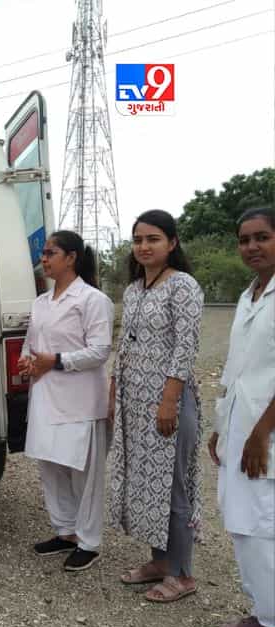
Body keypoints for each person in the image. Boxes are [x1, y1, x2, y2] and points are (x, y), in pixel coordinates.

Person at [108, 209, 204, 602]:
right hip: (136, 404)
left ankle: (182, 574)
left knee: (172, 487)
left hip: (168, 402)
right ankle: (160, 562)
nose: (144, 246)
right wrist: (114, 392)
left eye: (153, 239)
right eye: (138, 240)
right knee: (147, 485)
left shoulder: (183, 286)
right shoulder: (134, 289)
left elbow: (186, 346)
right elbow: (125, 345)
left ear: (172, 243)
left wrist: (169, 401)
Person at [19, 231, 114, 572]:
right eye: (43, 253)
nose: (43, 259)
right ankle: (65, 531)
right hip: (46, 397)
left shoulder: (92, 300)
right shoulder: (41, 302)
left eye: (51, 253)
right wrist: (28, 362)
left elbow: (100, 350)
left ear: (71, 257)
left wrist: (57, 361)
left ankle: (89, 542)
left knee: (82, 475)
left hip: (80, 401)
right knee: (51, 467)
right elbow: (31, 344)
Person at [207, 207, 275, 627]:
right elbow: (237, 367)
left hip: (265, 433)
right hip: (240, 424)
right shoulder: (249, 295)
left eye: (262, 237)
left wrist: (261, 432)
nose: (252, 246)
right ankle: (263, 611)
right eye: (245, 239)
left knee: (263, 528)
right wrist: (220, 424)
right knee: (241, 523)